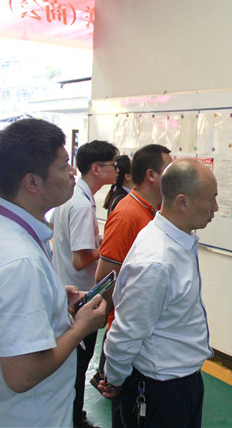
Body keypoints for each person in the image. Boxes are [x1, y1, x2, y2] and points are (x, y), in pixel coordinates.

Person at [0, 118, 107, 427]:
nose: (73, 172)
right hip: (26, 417)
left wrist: (51, 299)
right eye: (63, 165)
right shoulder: (17, 261)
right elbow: (22, 375)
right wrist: (80, 328)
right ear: (32, 182)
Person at [99, 159, 218, 427]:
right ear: (182, 202)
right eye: (211, 199)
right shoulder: (157, 260)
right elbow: (126, 332)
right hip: (160, 389)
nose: (215, 208)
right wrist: (115, 379)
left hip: (183, 381)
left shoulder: (177, 241)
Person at [90, 144, 171, 417]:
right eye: (168, 170)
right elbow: (105, 278)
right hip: (127, 330)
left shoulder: (152, 211)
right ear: (151, 175)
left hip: (142, 334)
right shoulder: (128, 214)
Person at [50, 139, 118, 428]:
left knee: (73, 366)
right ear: (96, 168)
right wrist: (107, 248)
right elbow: (80, 259)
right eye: (113, 165)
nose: (117, 170)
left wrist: (96, 242)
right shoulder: (80, 204)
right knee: (78, 366)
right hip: (78, 298)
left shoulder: (74, 197)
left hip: (67, 291)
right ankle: (75, 419)